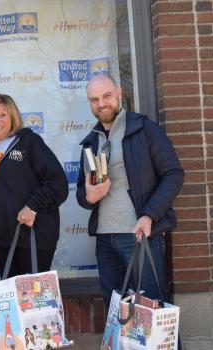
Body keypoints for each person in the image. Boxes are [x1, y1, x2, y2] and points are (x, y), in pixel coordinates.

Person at [76, 74, 184, 307]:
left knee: (151, 312)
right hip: (105, 240)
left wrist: (149, 215)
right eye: (94, 99)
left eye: (106, 96)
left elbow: (173, 174)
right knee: (118, 314)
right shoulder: (90, 141)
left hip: (138, 234)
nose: (101, 103)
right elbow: (81, 193)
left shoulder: (144, 129)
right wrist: (89, 196)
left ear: (118, 93)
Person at [0, 93, 68, 277]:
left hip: (35, 240)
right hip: (3, 244)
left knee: (34, 303)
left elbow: (57, 183)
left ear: (13, 117)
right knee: (12, 305)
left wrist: (32, 207)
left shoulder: (29, 142)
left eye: (3, 114)